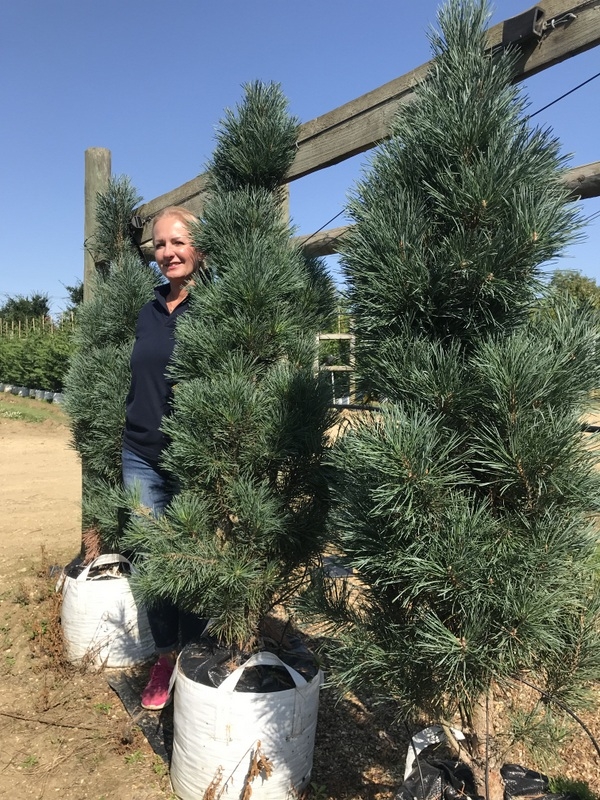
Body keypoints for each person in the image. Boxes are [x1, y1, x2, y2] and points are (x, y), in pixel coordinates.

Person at [122, 205, 204, 710]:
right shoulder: (148, 310)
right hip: (139, 453)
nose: (169, 252)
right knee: (151, 560)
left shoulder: (215, 308)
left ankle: (193, 656)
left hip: (190, 457)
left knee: (192, 556)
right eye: (160, 244)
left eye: (179, 241)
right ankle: (165, 654)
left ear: (199, 247)